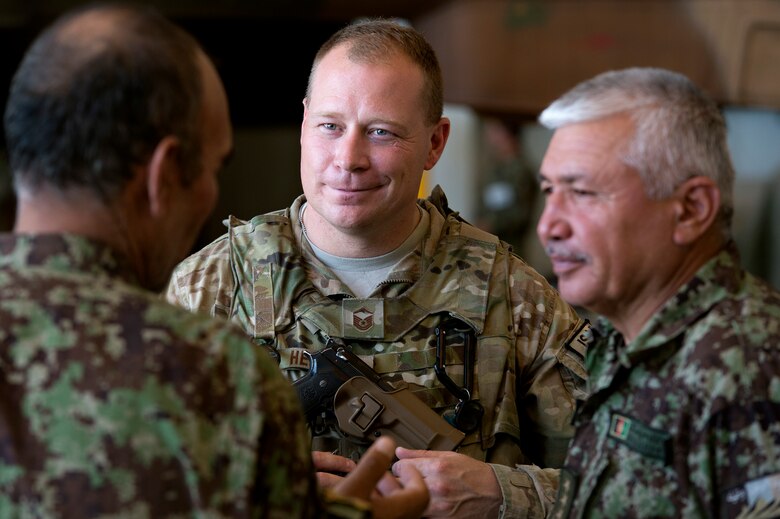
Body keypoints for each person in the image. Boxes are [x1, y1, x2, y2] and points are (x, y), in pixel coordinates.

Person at [0, 4, 429, 518]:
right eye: (212, 167)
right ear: (164, 177)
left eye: (381, 131)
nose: (349, 158)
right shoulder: (211, 373)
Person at [167, 17, 590, 518]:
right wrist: (255, 487)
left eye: (381, 132)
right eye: (330, 126)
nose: (349, 159)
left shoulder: (514, 296)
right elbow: (136, 480)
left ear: (435, 142)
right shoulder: (209, 287)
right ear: (303, 124)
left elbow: (629, 491)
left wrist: (500, 493)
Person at [536, 66, 780, 517]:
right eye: (549, 190)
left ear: (690, 210)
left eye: (582, 192)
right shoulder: (621, 335)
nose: (548, 226)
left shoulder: (750, 365)